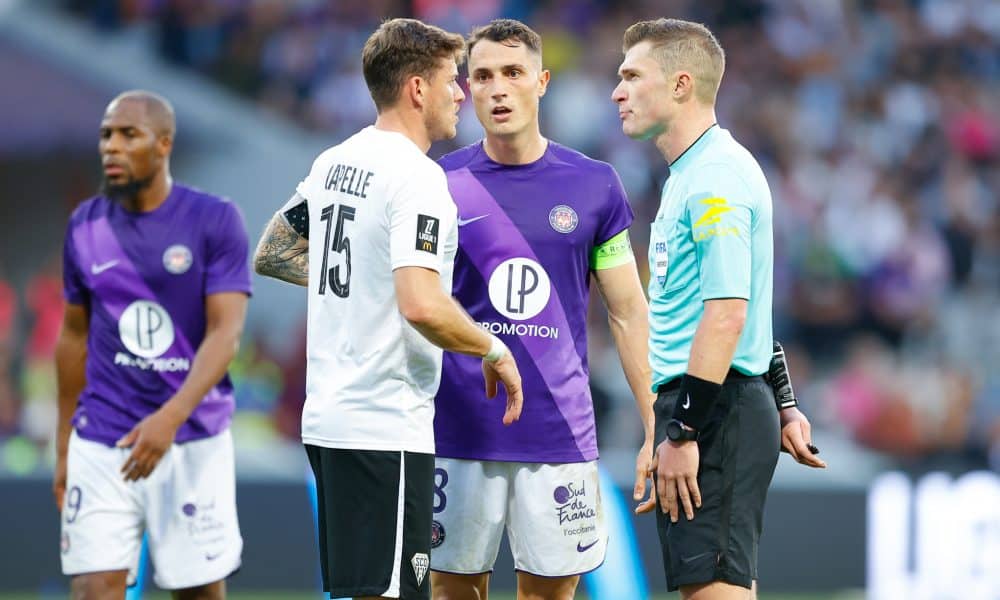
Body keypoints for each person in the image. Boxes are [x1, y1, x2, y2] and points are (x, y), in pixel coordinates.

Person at [252, 18, 523, 600]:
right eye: (452, 79)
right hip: (384, 421)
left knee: (367, 591)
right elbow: (423, 305)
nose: (461, 94)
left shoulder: (335, 162)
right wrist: (492, 347)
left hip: (328, 419)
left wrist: (366, 286)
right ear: (417, 89)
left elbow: (272, 252)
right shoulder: (419, 178)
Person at [428, 19, 656, 600]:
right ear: (467, 89)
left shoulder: (595, 186)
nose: (498, 89)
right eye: (482, 76)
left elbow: (629, 313)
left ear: (542, 81)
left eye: (512, 73)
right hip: (458, 429)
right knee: (455, 593)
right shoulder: (436, 183)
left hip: (559, 433)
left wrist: (656, 422)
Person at [612, 18, 827, 599]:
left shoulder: (713, 179)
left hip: (713, 410)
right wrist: (783, 400)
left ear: (681, 84)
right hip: (712, 404)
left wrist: (683, 429)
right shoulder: (694, 173)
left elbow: (730, 314)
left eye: (632, 75)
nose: (617, 90)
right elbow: (744, 305)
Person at [54, 90, 251, 599]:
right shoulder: (84, 225)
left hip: (192, 438)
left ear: (163, 144)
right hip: (103, 437)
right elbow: (73, 336)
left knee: (198, 592)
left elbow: (225, 334)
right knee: (93, 587)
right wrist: (62, 448)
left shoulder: (214, 219)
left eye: (128, 135)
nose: (111, 147)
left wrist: (170, 417)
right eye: (105, 135)